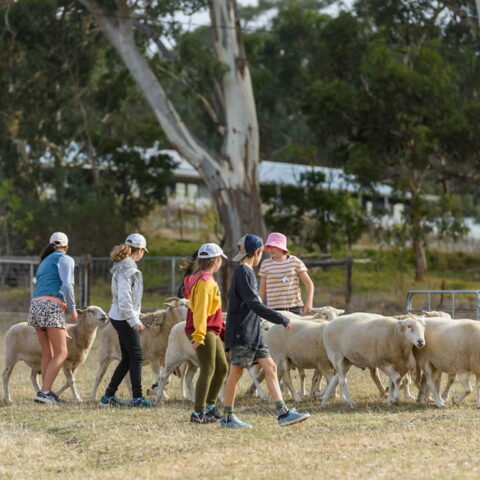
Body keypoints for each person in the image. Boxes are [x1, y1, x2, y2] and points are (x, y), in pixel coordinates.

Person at [221, 234, 311, 428]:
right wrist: (281, 318)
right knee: (236, 374)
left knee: (270, 367)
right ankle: (227, 417)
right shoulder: (244, 273)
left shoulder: (245, 272)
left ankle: (283, 413)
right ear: (257, 252)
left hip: (253, 332)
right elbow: (254, 303)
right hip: (242, 332)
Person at [100, 233, 154, 408]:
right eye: (143, 251)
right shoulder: (128, 269)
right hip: (124, 317)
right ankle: (137, 397)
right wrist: (134, 321)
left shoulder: (122, 267)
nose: (142, 254)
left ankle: (108, 396)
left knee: (127, 358)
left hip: (119, 316)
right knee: (137, 357)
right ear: (138, 251)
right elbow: (124, 300)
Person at [28, 232, 78, 404]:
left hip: (35, 306)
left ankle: (44, 392)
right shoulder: (65, 259)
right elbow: (67, 284)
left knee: (47, 353)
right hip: (50, 307)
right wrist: (72, 308)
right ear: (66, 247)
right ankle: (44, 392)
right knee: (62, 353)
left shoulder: (44, 261)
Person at [184, 243, 229, 424]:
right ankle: (198, 413)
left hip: (212, 329)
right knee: (208, 368)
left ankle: (210, 407)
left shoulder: (200, 277)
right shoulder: (205, 282)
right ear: (216, 261)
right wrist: (199, 336)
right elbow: (201, 311)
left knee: (222, 367)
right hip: (204, 330)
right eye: (220, 260)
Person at [259, 232, 314, 315]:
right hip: (274, 310)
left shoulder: (295, 261)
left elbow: (309, 284)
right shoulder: (265, 264)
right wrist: (258, 307)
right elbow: (262, 290)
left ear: (281, 247)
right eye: (269, 247)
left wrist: (309, 301)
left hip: (294, 309)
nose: (270, 249)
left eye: (273, 246)